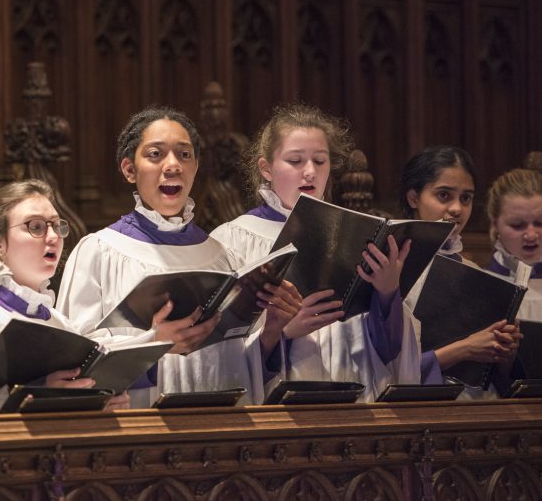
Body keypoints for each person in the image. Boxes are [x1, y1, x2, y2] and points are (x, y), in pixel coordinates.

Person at [56, 106, 301, 407]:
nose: (173, 165)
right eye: (156, 154)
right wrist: (154, 345)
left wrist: (273, 329)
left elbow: (241, 364)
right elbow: (75, 363)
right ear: (129, 170)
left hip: (219, 429)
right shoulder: (99, 251)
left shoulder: (222, 257)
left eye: (184, 155)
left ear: (196, 167)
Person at [210, 103, 417, 401]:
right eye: (295, 160)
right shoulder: (233, 241)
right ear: (266, 168)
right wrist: (282, 332)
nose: (310, 172)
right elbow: (217, 355)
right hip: (277, 410)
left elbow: (389, 351)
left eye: (320, 161)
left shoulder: (351, 233)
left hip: (350, 398)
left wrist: (387, 294)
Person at [0, 179, 134, 413]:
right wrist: (38, 395)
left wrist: (100, 404)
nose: (53, 237)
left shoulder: (60, 323)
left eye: (57, 226)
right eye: (35, 226)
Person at [400, 146, 521, 395]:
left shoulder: (474, 272)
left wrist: (504, 350)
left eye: (465, 198)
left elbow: (496, 375)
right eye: (444, 195)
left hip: (477, 410)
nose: (457, 208)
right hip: (414, 411)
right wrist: (464, 349)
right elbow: (379, 370)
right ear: (413, 198)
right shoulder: (391, 270)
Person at [485, 168, 542, 317]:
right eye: (517, 225)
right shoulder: (478, 285)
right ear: (495, 224)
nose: (531, 235)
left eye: (540, 223)